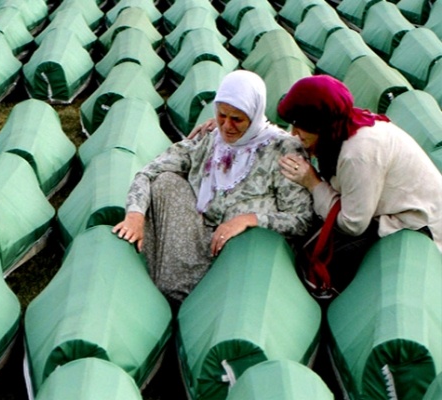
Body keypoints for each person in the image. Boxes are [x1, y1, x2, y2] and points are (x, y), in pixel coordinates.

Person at [112, 70, 313, 303]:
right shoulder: (210, 138)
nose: (226, 126)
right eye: (221, 115)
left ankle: (191, 294)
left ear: (255, 114)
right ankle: (170, 287)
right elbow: (149, 171)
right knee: (165, 181)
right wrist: (134, 215)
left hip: (240, 250)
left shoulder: (283, 150)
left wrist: (249, 219)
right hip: (199, 235)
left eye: (237, 119)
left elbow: (302, 219)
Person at [276, 74, 442, 294]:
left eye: (300, 126)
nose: (293, 134)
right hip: (385, 209)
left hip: (417, 224)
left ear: (320, 125)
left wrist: (312, 182)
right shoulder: (345, 127)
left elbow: (353, 224)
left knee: (318, 263)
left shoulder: (358, 153)